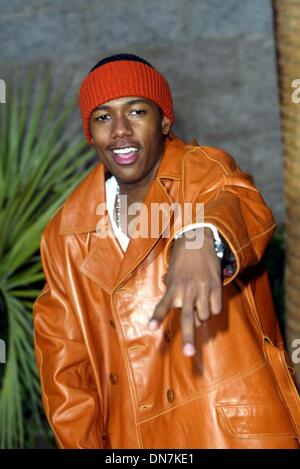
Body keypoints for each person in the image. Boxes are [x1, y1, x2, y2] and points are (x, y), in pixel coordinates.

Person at [33, 53, 300, 449]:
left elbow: (238, 202)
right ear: (90, 133)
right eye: (103, 117)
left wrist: (200, 239)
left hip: (228, 431)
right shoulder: (65, 233)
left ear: (165, 121)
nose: (120, 131)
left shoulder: (202, 170)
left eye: (136, 111)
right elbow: (65, 371)